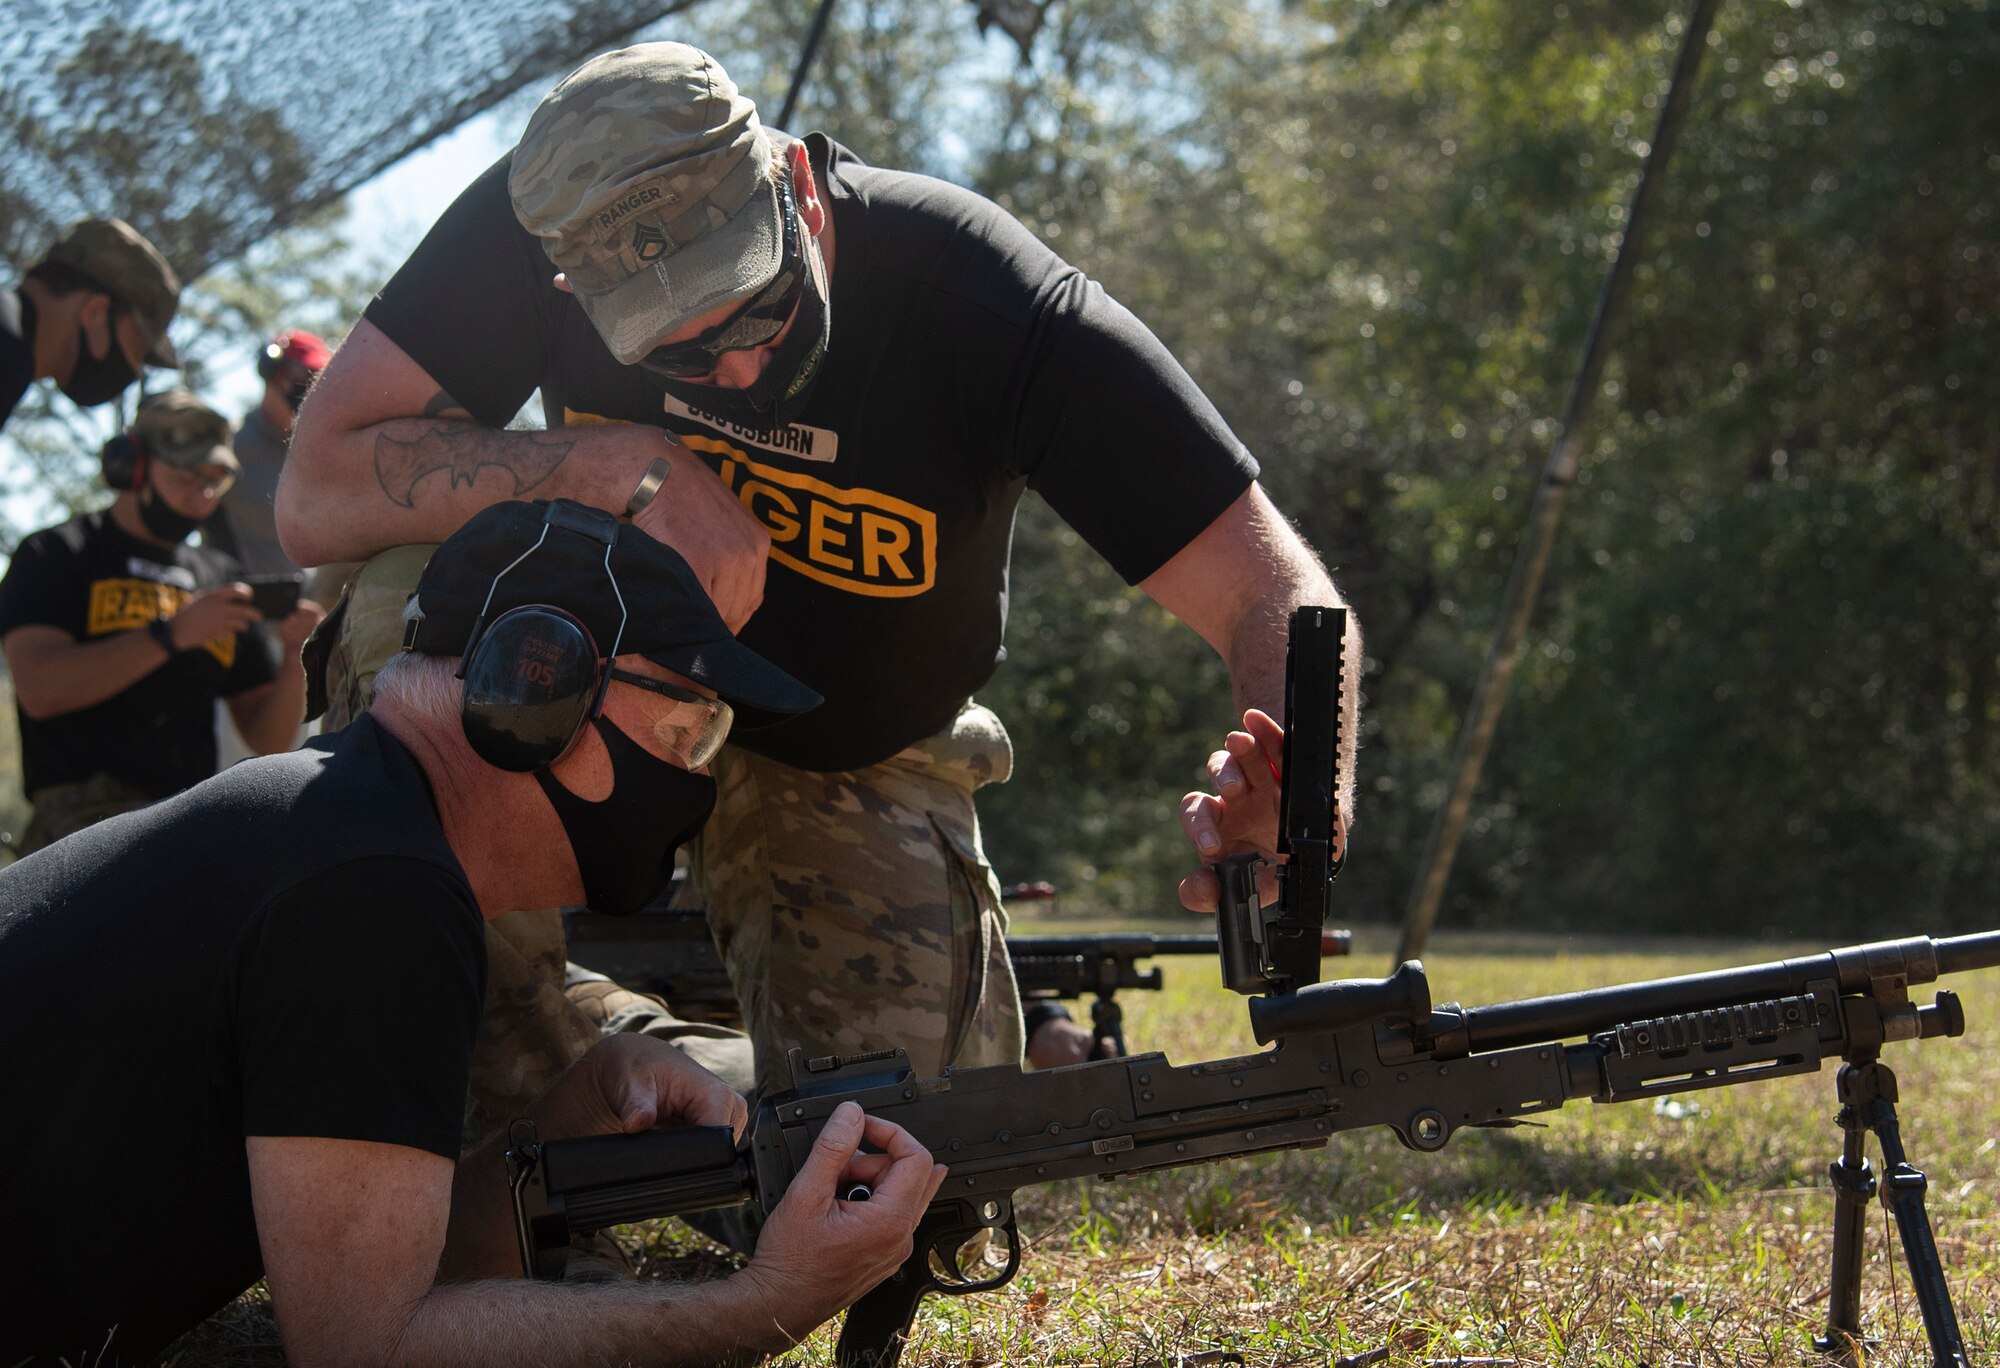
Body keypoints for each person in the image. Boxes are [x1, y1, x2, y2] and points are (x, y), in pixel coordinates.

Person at [276, 43, 1359, 1122]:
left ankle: (667, 1076)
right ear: (569, 286)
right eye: (674, 352)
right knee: (397, 595)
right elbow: (315, 493)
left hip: (851, 744)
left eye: (757, 304)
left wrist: (1299, 794)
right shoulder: (543, 221)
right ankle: (502, 1080)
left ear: (796, 185)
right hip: (603, 691)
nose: (737, 368)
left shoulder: (983, 302)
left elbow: (1275, 592)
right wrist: (621, 466)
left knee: (911, 1138)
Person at [0, 498, 945, 1368]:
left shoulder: (355, 834)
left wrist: (564, 1119)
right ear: (538, 688)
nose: (694, 773)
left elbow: (392, 1271)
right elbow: (359, 1350)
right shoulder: (372, 883)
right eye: (686, 729)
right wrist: (766, 1304)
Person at [0, 390, 321, 851]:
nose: (202, 497)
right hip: (78, 823)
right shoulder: (56, 555)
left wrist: (295, 657)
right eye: (187, 477)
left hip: (184, 820)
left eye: (215, 482)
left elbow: (266, 739)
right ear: (133, 466)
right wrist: (172, 635)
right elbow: (40, 690)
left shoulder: (218, 576)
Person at [1, 217, 180, 429]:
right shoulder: (9, 355)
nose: (134, 370)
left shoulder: (13, 351)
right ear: (95, 311)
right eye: (137, 350)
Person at [208, 328, 332, 580]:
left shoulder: (326, 454)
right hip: (243, 598)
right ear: (271, 372)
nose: (310, 389)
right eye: (303, 377)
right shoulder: (231, 447)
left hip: (312, 602)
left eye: (319, 380)